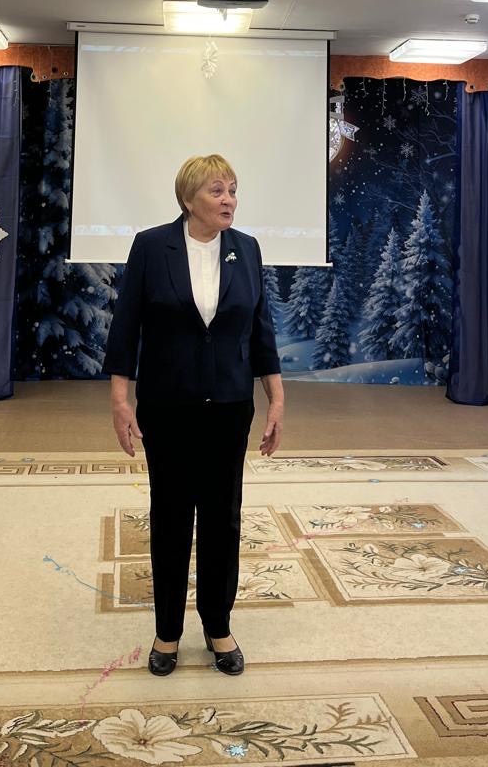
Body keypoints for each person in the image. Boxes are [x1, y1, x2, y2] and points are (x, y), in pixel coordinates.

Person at [102, 155, 284, 677]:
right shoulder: (150, 246)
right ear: (188, 199)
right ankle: (167, 631)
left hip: (229, 406)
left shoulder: (247, 248)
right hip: (168, 406)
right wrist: (120, 400)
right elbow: (126, 326)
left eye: (233, 190)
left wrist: (276, 398)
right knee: (172, 516)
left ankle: (218, 625)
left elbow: (261, 329)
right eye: (217, 190)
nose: (229, 200)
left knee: (223, 518)